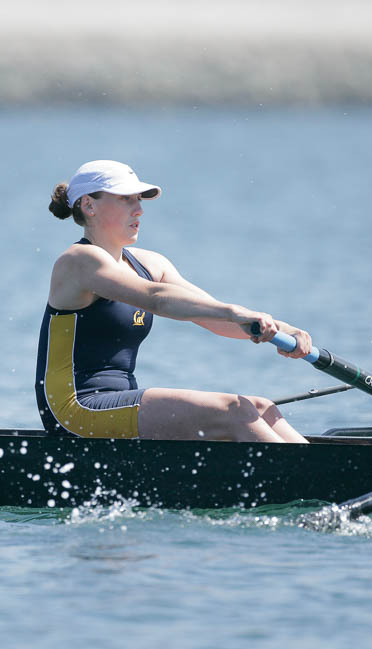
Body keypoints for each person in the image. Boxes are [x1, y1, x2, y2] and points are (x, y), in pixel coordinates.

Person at [36, 160, 312, 443]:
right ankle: (302, 482)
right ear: (88, 206)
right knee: (236, 412)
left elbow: (214, 318)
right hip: (74, 409)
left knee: (263, 408)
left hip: (119, 401)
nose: (139, 209)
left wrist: (283, 329)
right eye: (125, 200)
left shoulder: (151, 263)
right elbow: (158, 299)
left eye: (139, 200)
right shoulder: (79, 262)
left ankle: (317, 475)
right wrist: (235, 312)